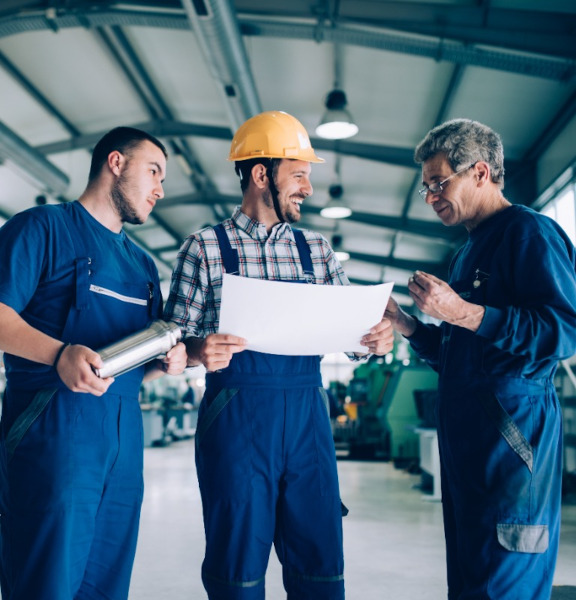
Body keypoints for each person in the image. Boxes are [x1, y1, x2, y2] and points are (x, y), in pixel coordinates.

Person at [164, 110, 393, 600]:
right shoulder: (203, 249)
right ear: (261, 174)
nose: (308, 187)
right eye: (300, 174)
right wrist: (197, 350)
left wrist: (373, 341)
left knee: (319, 557)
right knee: (237, 561)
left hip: (309, 419)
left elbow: (354, 341)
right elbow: (170, 350)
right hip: (236, 419)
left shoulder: (318, 251)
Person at [0, 126, 187, 600]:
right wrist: (58, 353)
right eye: (153, 171)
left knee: (107, 581)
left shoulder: (143, 266)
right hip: (53, 438)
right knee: (46, 580)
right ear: (115, 163)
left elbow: (135, 362)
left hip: (123, 449)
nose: (160, 188)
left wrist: (169, 360)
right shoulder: (42, 229)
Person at [384, 119, 576, 599]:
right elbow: (460, 358)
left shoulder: (529, 233)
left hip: (513, 442)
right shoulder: (466, 253)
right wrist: (409, 325)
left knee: (507, 577)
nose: (430, 198)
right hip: (468, 447)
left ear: (481, 172)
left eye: (438, 184)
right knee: (471, 582)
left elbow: (565, 331)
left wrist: (466, 312)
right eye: (425, 187)